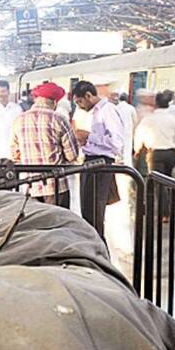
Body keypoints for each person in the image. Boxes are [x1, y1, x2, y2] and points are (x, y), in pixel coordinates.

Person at [10, 82, 79, 208]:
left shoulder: (18, 120)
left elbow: (15, 154)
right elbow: (72, 155)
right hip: (56, 185)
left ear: (36, 100)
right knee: (58, 223)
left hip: (29, 185)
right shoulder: (59, 119)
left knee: (35, 224)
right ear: (54, 102)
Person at [72, 81, 125, 235]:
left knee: (94, 212)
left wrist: (89, 136)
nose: (80, 106)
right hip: (92, 161)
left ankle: (99, 250)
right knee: (88, 210)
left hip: (101, 164)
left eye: (80, 101)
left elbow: (116, 143)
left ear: (89, 95)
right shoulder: (96, 112)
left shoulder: (108, 111)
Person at [134, 91, 175, 222]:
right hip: (171, 153)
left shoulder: (149, 119)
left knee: (159, 184)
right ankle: (167, 208)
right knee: (168, 181)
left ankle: (164, 213)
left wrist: (137, 149)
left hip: (155, 154)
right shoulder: (174, 119)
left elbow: (140, 135)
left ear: (156, 104)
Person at [116, 93, 137, 166]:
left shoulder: (116, 108)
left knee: (118, 149)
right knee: (127, 150)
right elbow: (135, 121)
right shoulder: (131, 108)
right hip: (128, 131)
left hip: (118, 131)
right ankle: (127, 166)